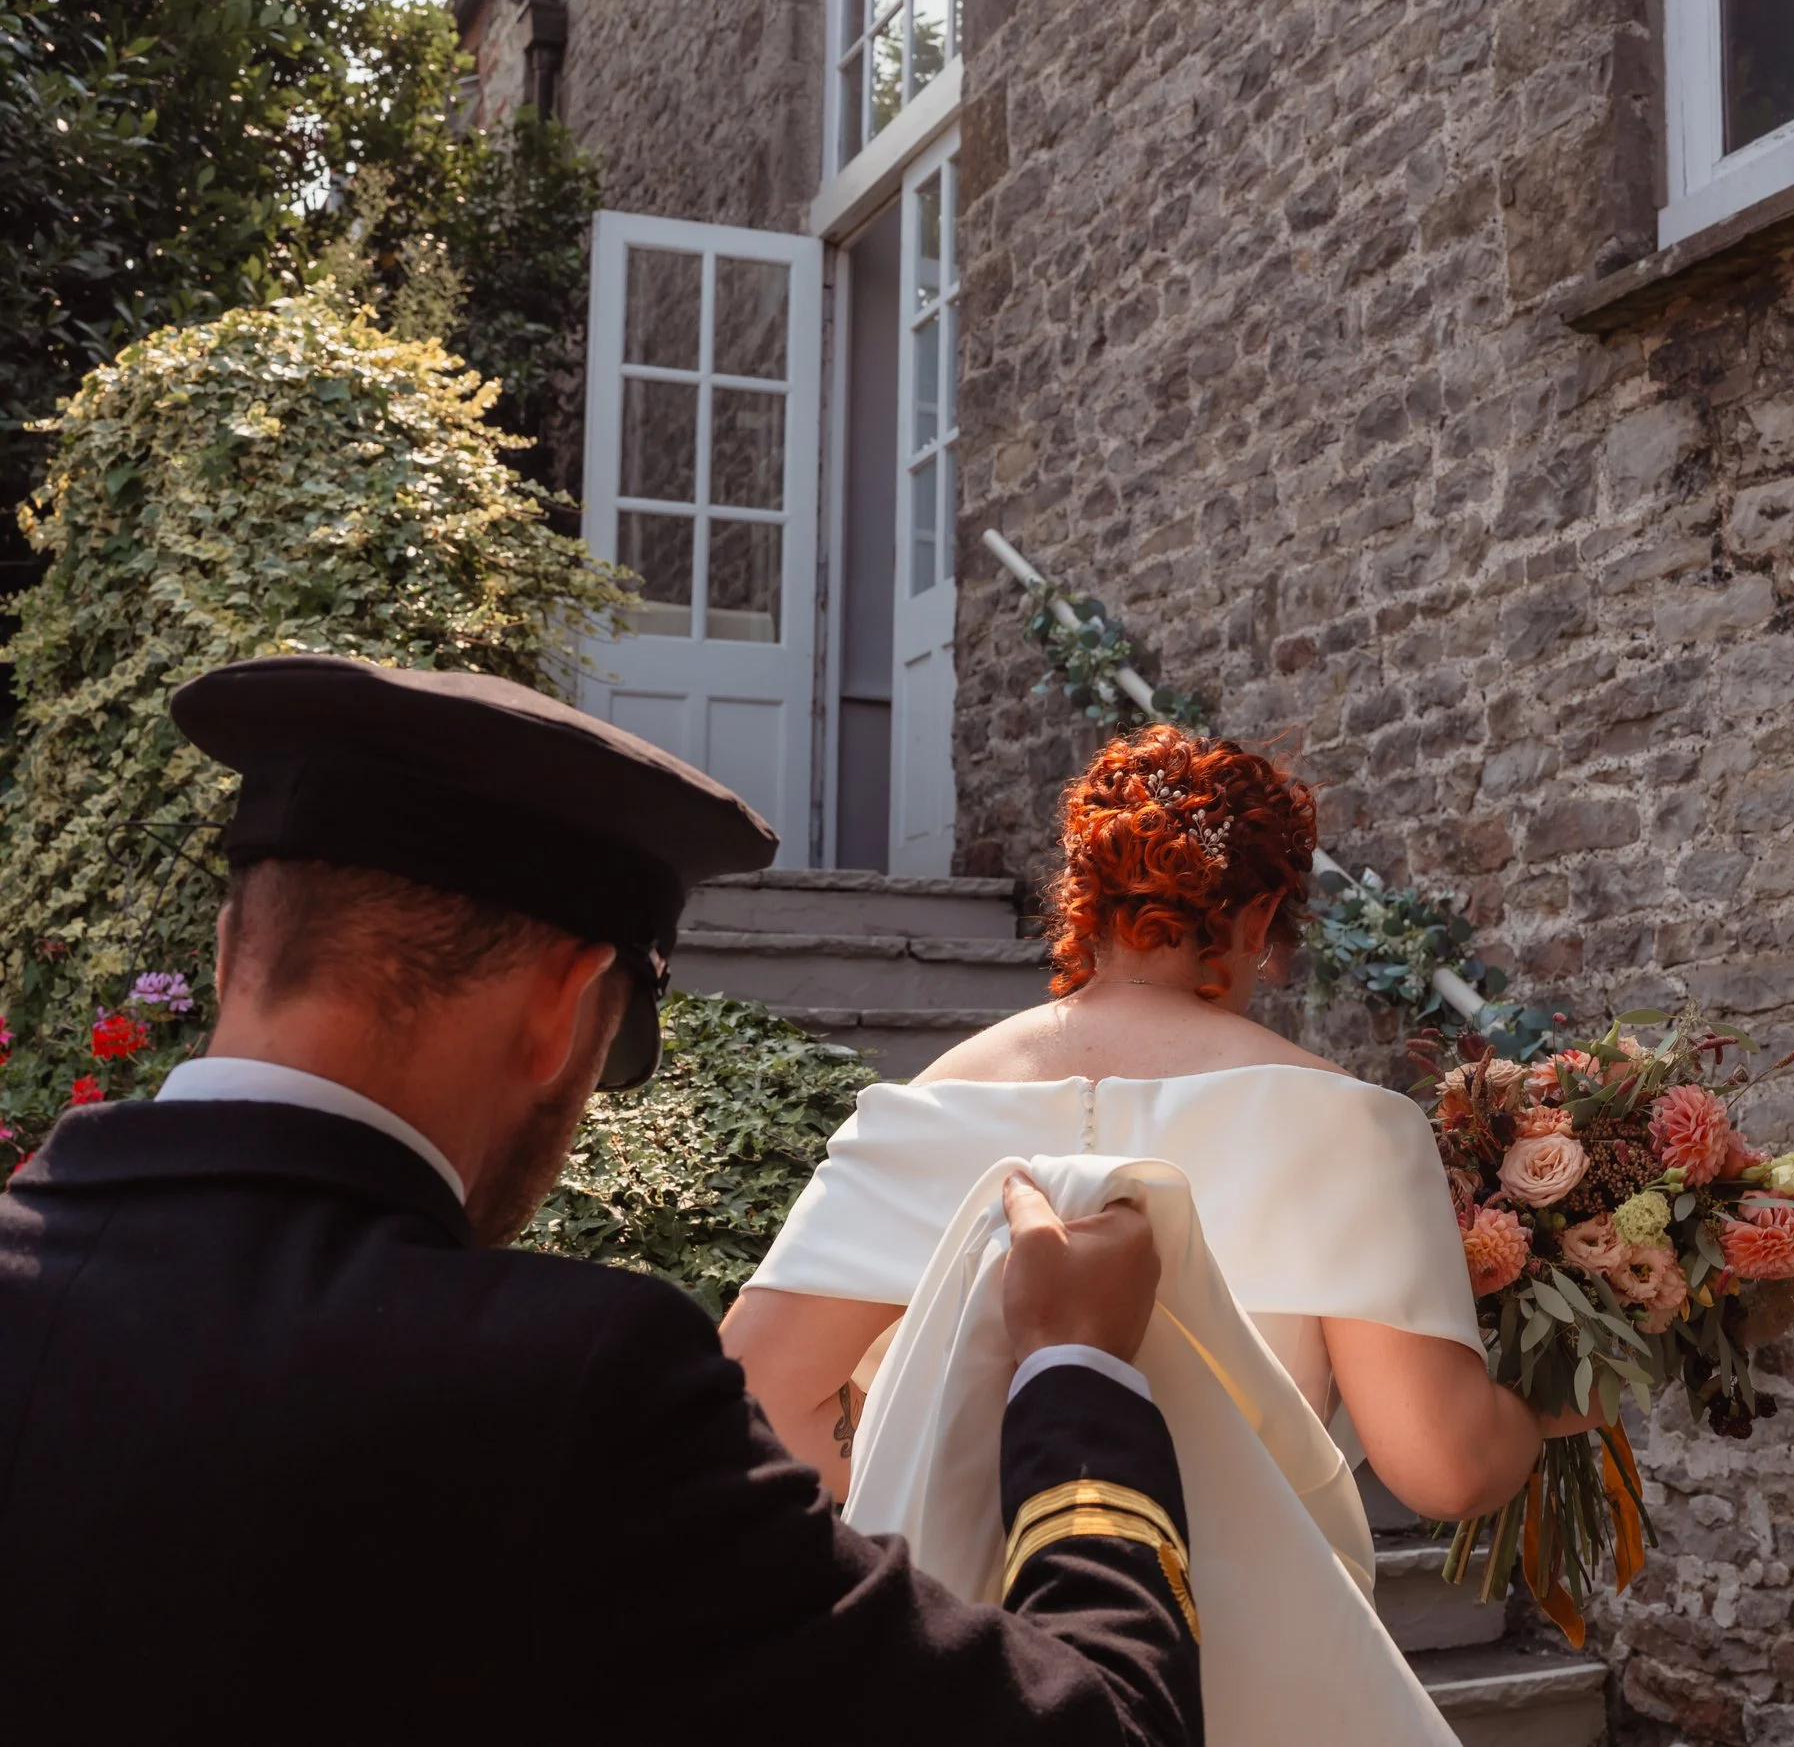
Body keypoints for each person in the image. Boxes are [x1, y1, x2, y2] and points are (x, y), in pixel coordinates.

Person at [0, 655, 1201, 1746]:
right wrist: (1076, 1373)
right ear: (566, 1005)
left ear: (224, 956)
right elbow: (1103, 1728)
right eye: (621, 1047)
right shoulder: (568, 1387)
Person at [724, 727, 1586, 1736]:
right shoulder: (1347, 1121)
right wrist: (1562, 1407)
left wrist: (929, 1479)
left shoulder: (918, 1111)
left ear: (1082, 898)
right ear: (1262, 915)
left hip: (964, 1665)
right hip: (1247, 1659)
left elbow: (760, 1393)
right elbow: (1442, 1464)